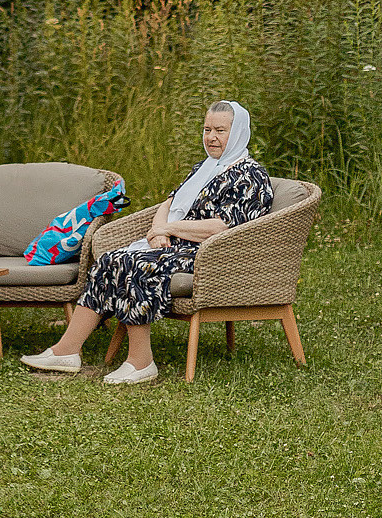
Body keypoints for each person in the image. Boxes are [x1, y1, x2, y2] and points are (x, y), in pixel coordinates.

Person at [20, 100, 272, 385]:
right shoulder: (204, 168)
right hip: (175, 245)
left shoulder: (251, 176)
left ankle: (141, 362)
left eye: (220, 131)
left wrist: (170, 228)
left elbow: (224, 227)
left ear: (238, 132)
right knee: (110, 260)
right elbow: (169, 203)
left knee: (134, 263)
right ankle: (66, 351)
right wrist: (159, 231)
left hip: (210, 254)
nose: (211, 137)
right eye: (207, 129)